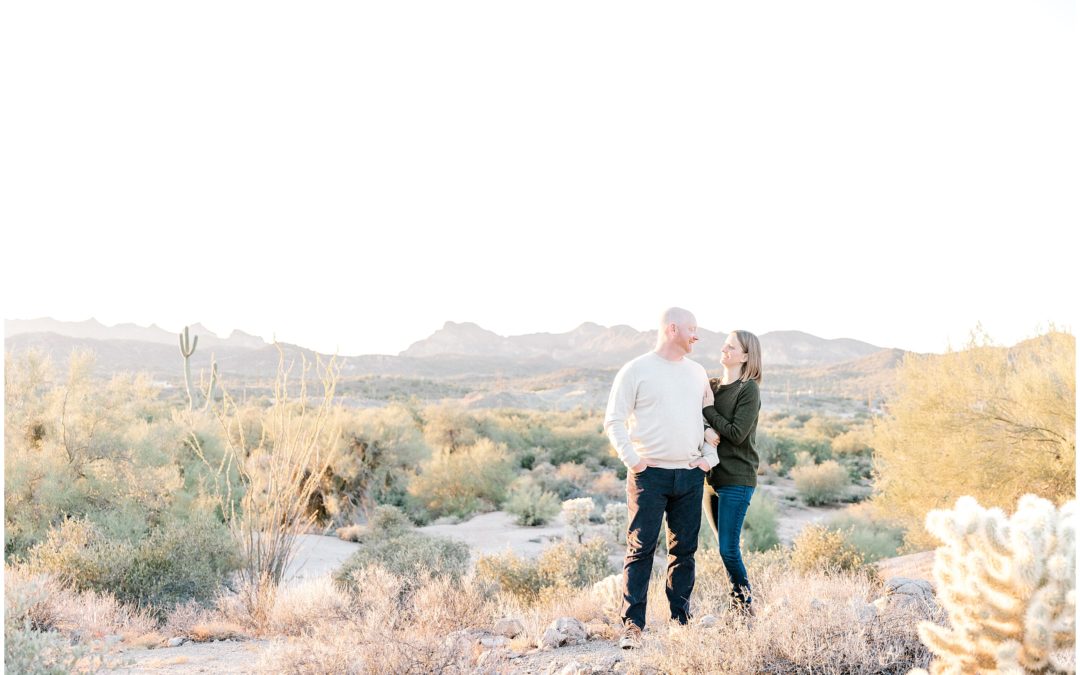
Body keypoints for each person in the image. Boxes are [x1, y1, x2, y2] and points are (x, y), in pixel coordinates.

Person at [604, 307, 719, 649]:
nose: (696, 335)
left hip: (689, 475)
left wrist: (707, 458)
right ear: (672, 329)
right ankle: (632, 626)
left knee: (684, 551)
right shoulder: (636, 370)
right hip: (648, 476)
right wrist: (634, 461)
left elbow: (707, 419)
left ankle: (680, 623)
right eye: (692, 329)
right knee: (640, 550)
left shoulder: (697, 372)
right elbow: (613, 420)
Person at [701, 329, 763, 615]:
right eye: (724, 345)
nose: (724, 349)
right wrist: (705, 427)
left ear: (746, 355)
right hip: (710, 479)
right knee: (723, 546)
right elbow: (696, 418)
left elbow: (737, 434)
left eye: (731, 347)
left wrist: (709, 413)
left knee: (728, 548)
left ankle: (744, 606)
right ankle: (737, 601)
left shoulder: (748, 389)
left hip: (737, 478)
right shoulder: (711, 385)